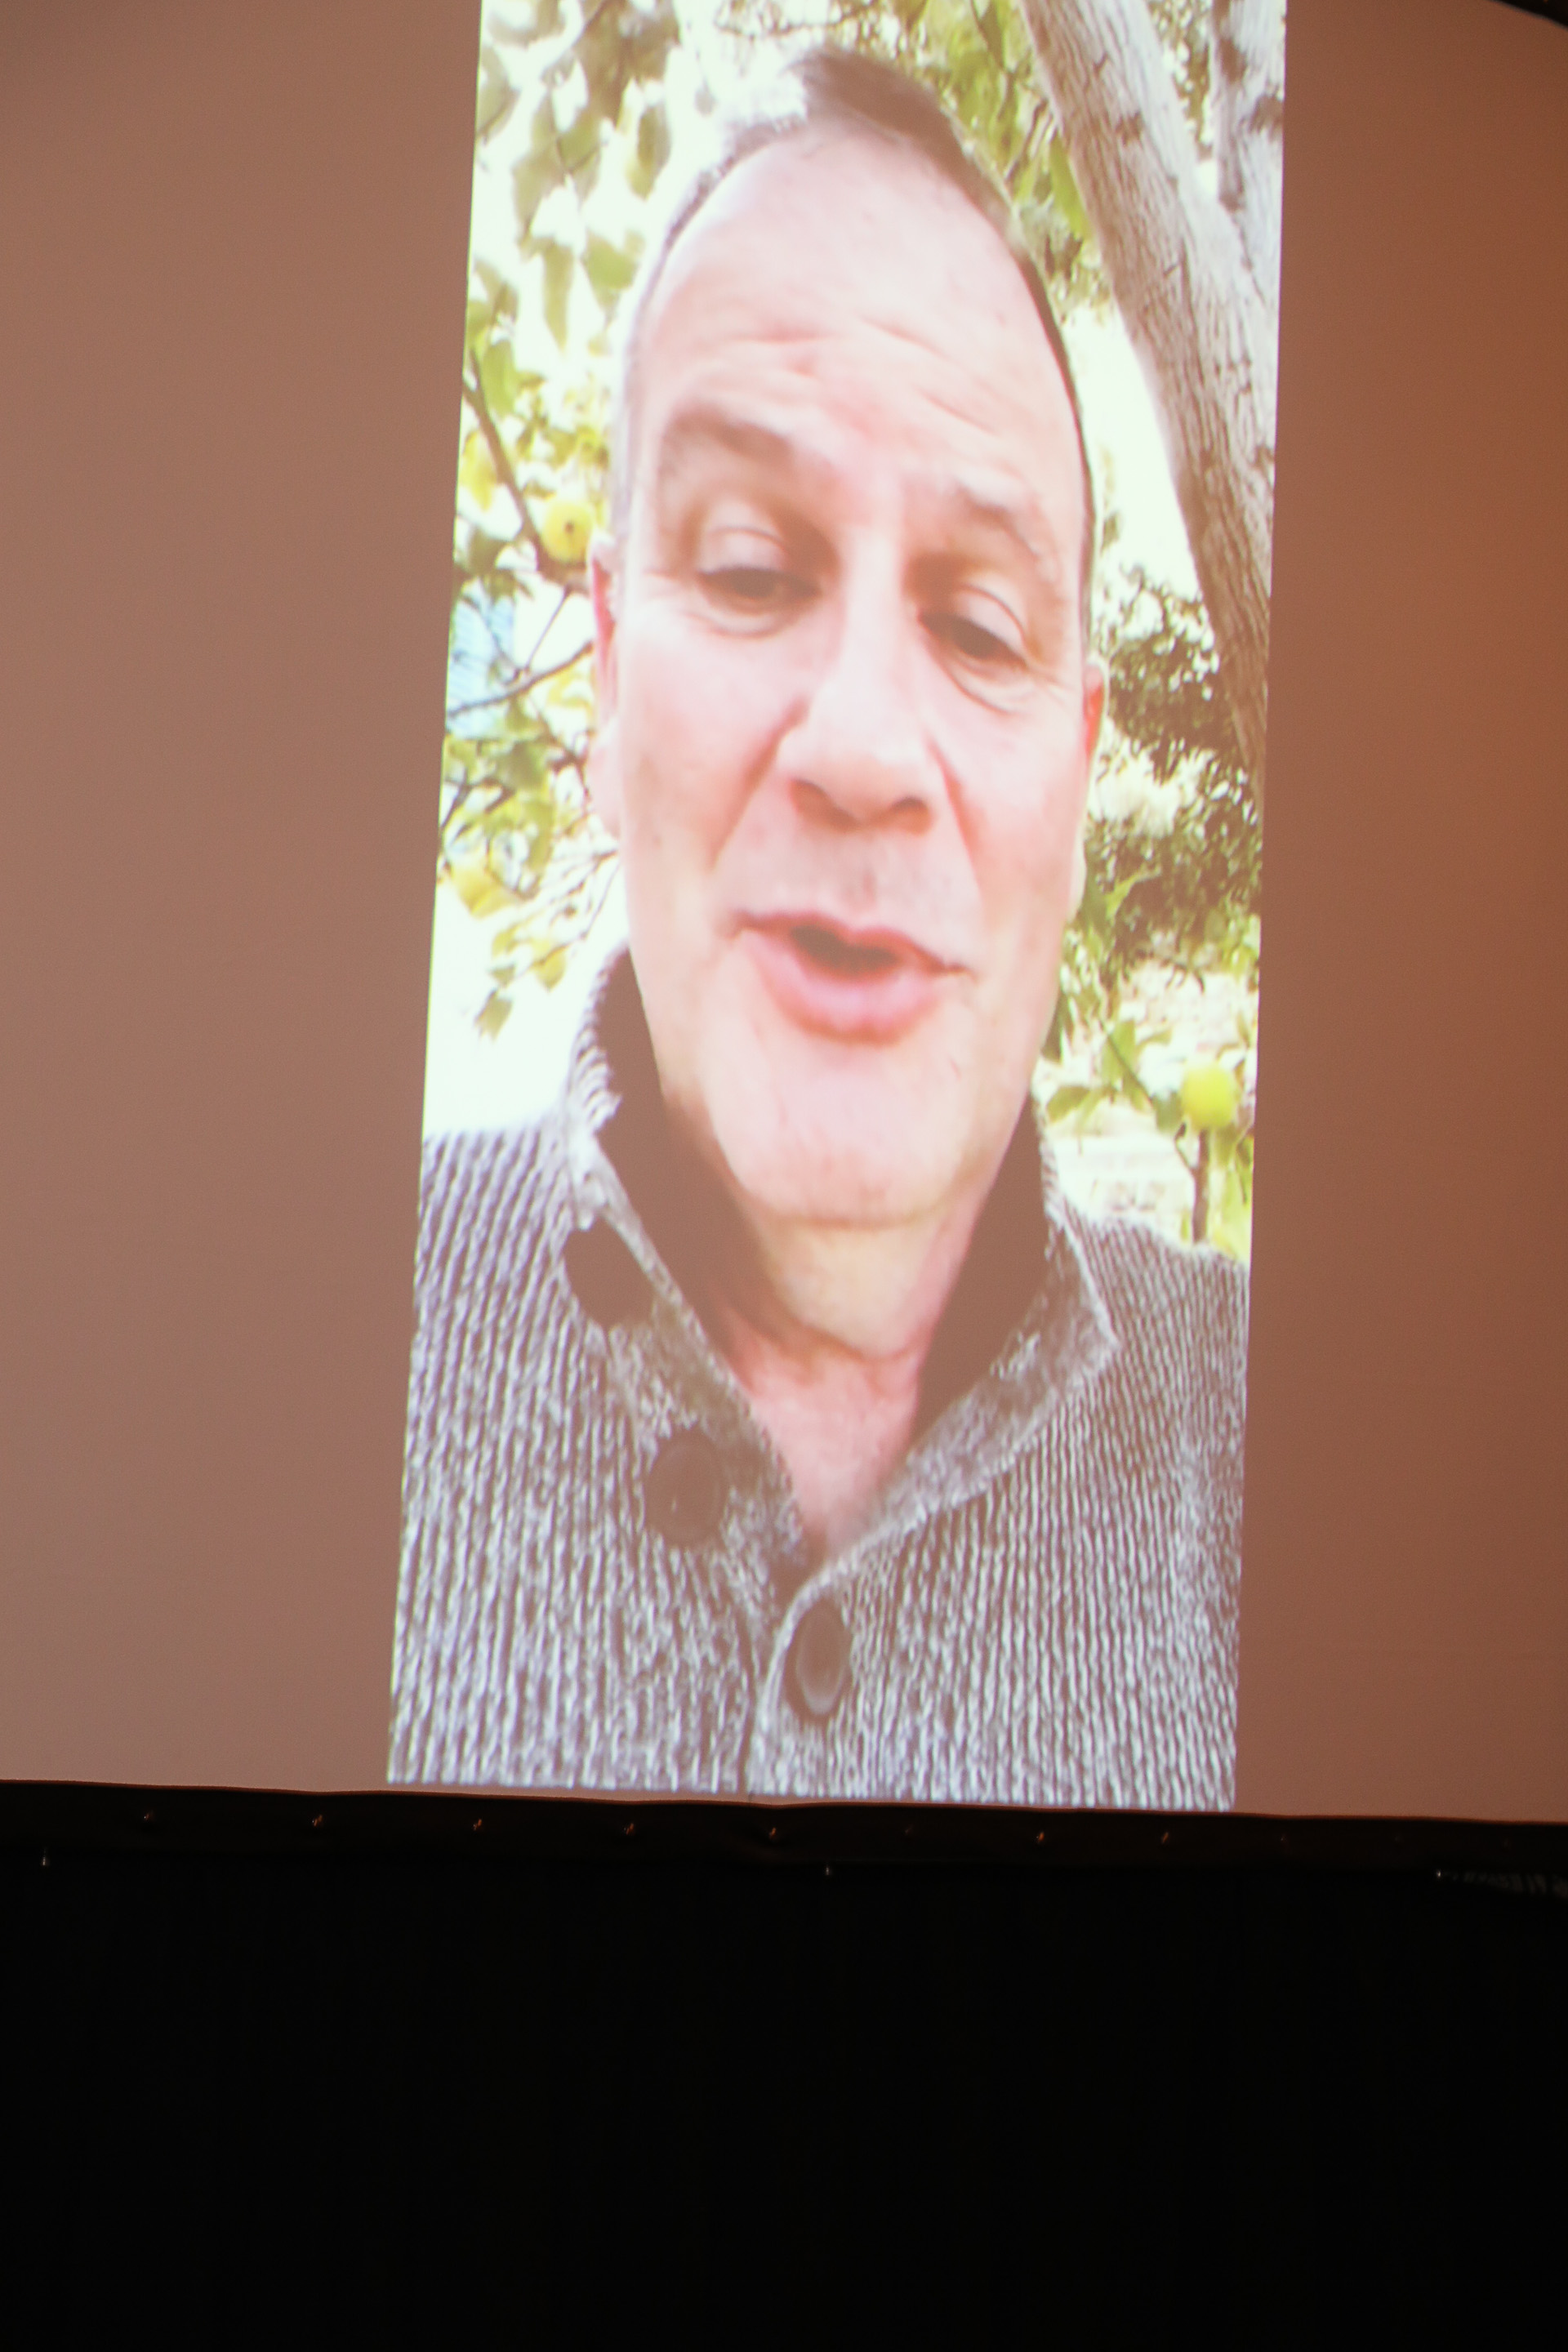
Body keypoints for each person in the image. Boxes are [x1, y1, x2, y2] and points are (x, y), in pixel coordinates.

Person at [390, 48, 1247, 1805]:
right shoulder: (257, 1344)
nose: (862, 747)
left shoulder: (1313, 1456)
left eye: (983, 626)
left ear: (1079, 779)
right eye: (752, 569)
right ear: (607, 680)